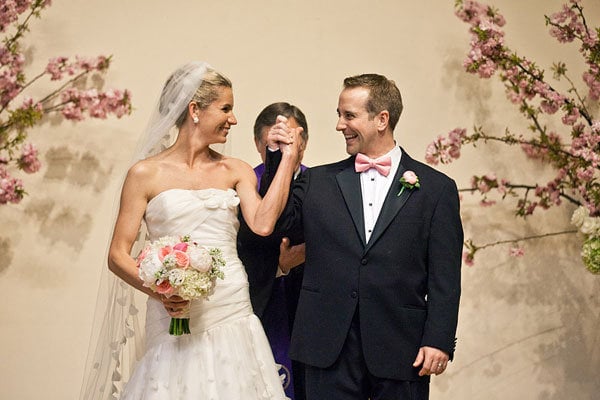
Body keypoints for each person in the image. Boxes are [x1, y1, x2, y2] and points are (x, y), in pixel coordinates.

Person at [93, 62, 300, 399]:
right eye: (226, 108)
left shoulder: (236, 169)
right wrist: (163, 293)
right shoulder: (145, 174)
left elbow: (263, 224)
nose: (233, 119)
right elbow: (118, 254)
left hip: (231, 306)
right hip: (172, 311)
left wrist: (288, 160)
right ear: (194, 111)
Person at [263, 73, 463, 400]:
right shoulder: (319, 182)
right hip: (326, 346)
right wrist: (280, 158)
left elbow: (445, 275)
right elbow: (280, 223)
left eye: (349, 115)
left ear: (382, 119)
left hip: (402, 346)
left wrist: (438, 339)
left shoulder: (436, 189)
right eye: (339, 115)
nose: (340, 125)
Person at [237, 102, 309, 400]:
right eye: (274, 143)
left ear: (302, 142)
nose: (284, 149)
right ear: (258, 143)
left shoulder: (322, 185)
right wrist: (279, 265)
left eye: (290, 141)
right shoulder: (244, 186)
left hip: (306, 310)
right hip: (256, 301)